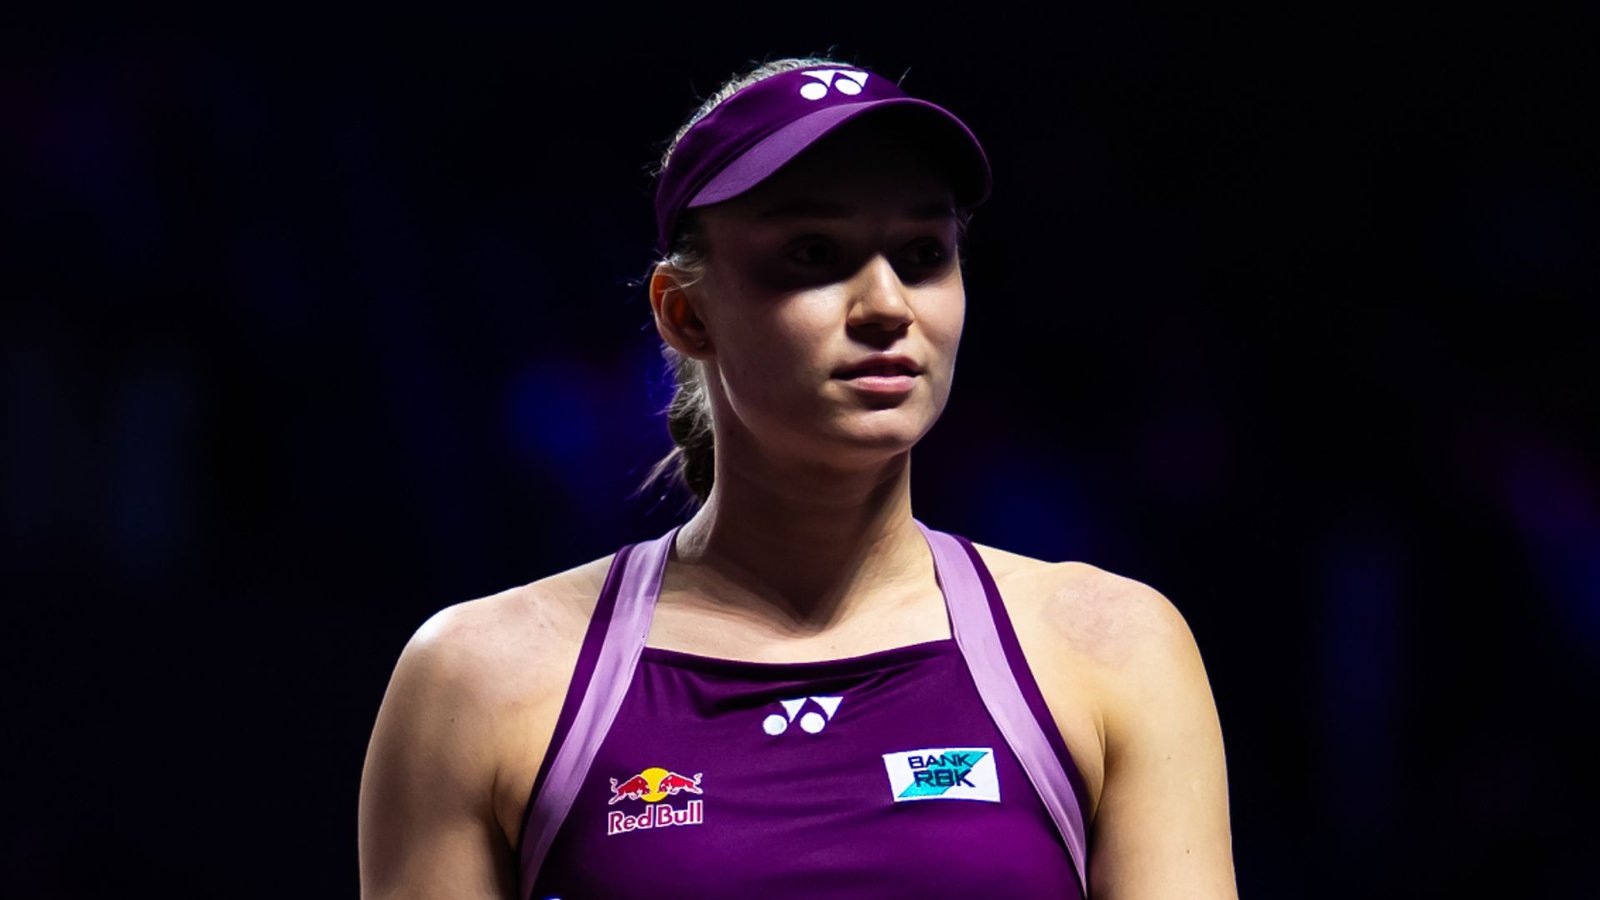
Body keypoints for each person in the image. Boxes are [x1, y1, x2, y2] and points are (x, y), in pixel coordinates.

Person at [358, 57, 1237, 899]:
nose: (888, 306)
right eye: (814, 252)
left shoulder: (1113, 651)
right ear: (685, 313)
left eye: (922, 253)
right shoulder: (479, 682)